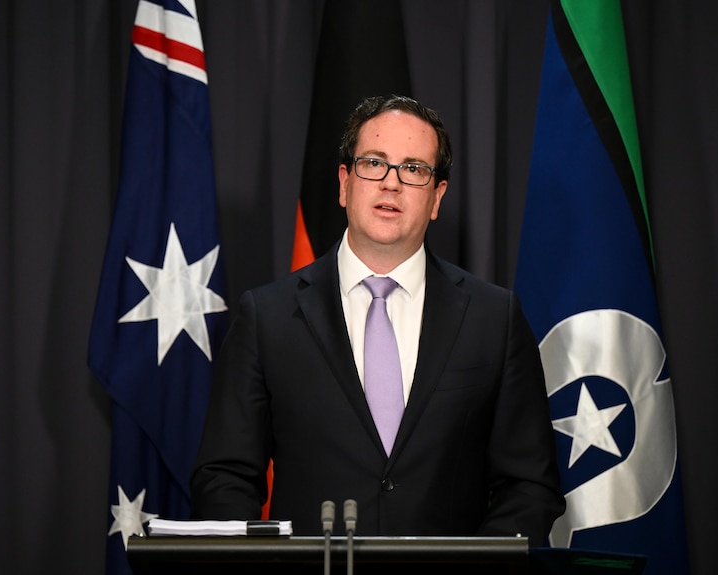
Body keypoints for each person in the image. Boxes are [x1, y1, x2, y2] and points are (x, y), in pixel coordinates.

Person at [191, 94, 565, 545]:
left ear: (436, 197)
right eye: (374, 163)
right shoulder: (268, 317)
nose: (391, 183)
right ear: (345, 183)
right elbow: (224, 477)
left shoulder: (494, 317)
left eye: (413, 169)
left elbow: (530, 484)